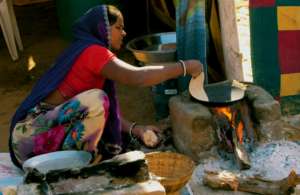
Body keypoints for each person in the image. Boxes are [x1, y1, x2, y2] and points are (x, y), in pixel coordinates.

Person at [9, 5, 203, 168]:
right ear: (103, 28)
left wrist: (137, 129)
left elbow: (106, 112)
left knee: (99, 104)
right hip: (30, 142)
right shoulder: (93, 52)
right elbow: (136, 77)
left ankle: (81, 162)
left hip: (35, 142)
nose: (124, 33)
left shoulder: (86, 49)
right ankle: (86, 165)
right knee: (97, 100)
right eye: (119, 27)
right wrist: (185, 67)